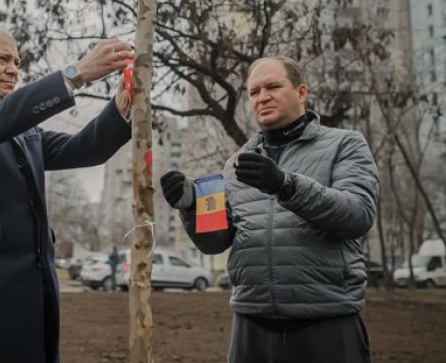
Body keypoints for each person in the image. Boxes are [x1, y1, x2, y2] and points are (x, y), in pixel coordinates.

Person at [0, 24, 134, 363]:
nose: (14, 69)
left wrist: (122, 104)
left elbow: (86, 148)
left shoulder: (23, 128)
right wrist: (75, 74)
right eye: (2, 58)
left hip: (32, 305)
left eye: (17, 61)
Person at [160, 57, 378, 363]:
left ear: (301, 93)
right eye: (254, 91)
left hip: (327, 324)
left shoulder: (346, 145)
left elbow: (358, 215)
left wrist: (285, 184)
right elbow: (214, 243)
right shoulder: (235, 165)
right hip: (251, 328)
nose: (262, 97)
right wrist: (191, 208)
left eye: (273, 86)